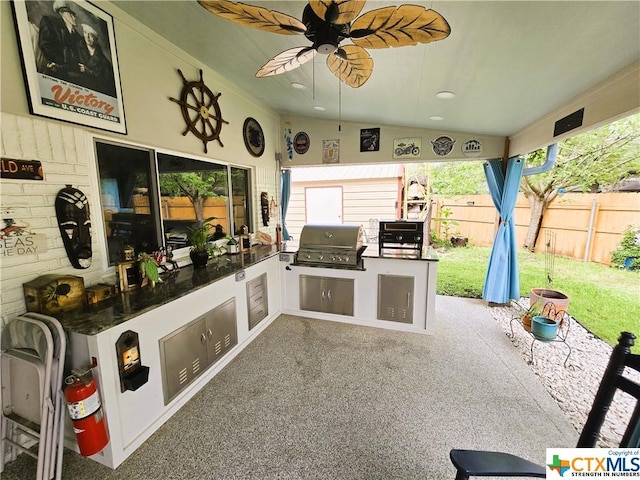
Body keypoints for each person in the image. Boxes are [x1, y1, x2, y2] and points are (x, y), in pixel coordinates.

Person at [38, 0, 88, 85]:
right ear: (62, 13)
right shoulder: (50, 23)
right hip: (57, 75)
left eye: (74, 15)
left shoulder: (78, 37)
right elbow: (45, 46)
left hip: (76, 78)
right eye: (71, 14)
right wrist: (66, 65)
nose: (74, 18)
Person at [79, 23, 116, 96]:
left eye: (91, 35)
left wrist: (89, 72)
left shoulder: (104, 62)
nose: (87, 37)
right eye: (85, 33)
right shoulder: (77, 48)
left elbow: (107, 83)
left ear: (96, 39)